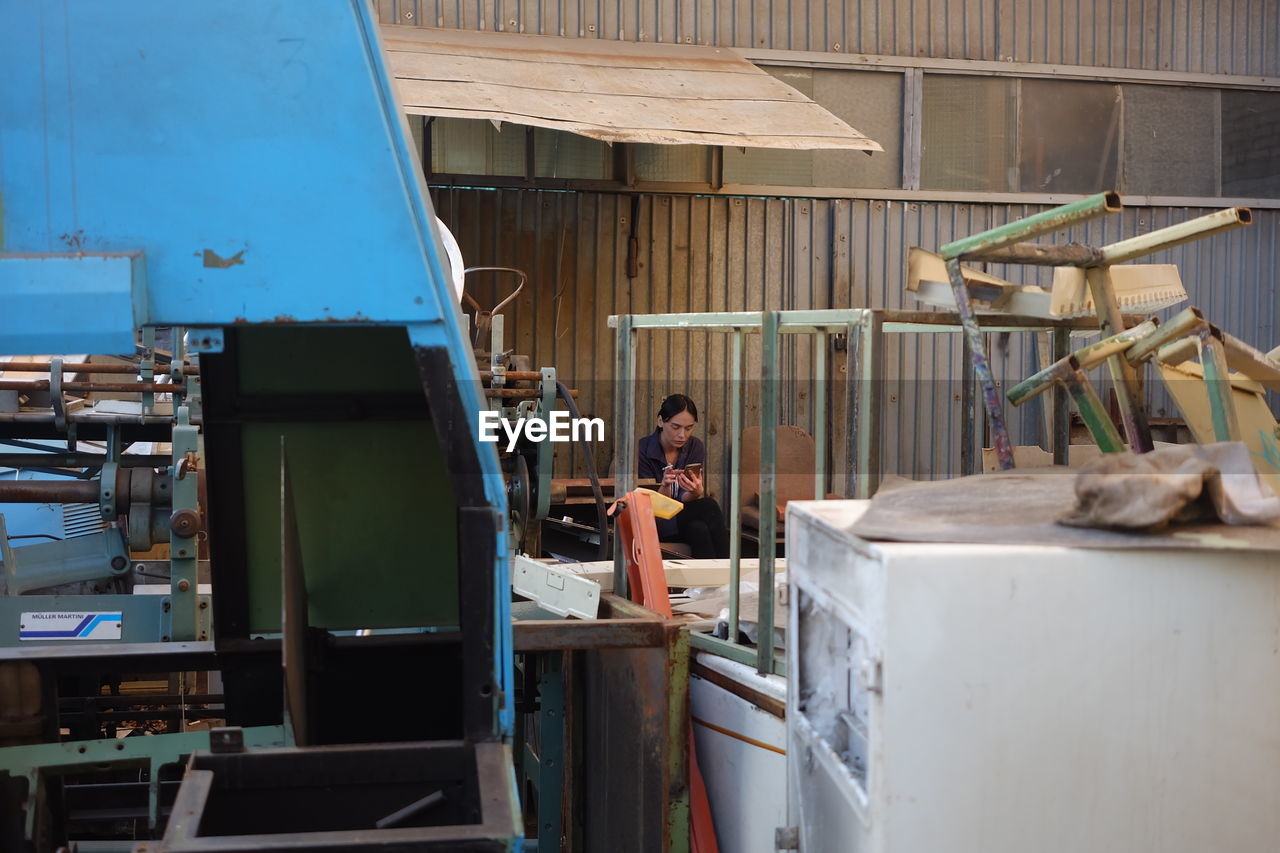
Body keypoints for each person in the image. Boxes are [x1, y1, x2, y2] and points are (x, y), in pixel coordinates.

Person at [636, 394, 729, 559]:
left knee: (698, 529)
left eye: (689, 428)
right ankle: (730, 575)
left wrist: (694, 492)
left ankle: (707, 584)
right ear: (660, 422)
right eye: (675, 427)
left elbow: (684, 498)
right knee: (709, 506)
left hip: (681, 519)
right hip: (653, 519)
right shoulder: (642, 449)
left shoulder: (695, 446)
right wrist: (664, 486)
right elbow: (649, 505)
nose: (682, 435)